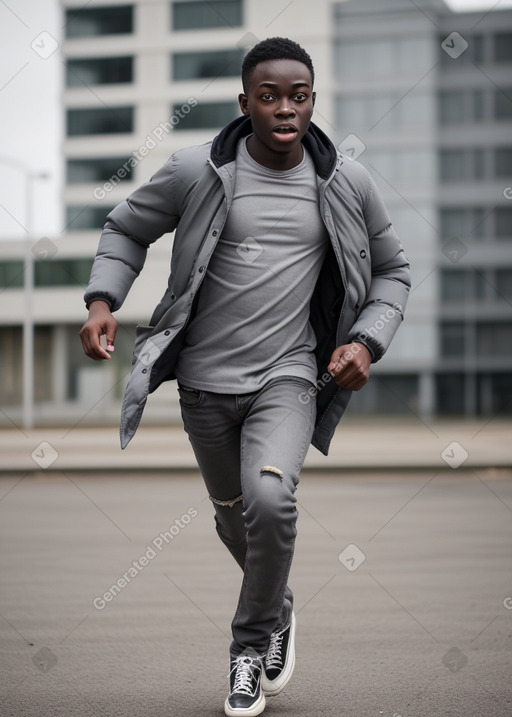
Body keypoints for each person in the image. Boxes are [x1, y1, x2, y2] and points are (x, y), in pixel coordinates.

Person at [80, 37, 411, 717]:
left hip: (289, 377)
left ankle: (247, 652)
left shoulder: (346, 182)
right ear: (246, 103)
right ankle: (278, 604)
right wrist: (101, 301)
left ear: (312, 100)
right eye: (270, 96)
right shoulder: (196, 171)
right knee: (234, 516)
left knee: (269, 502)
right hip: (203, 384)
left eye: (299, 95)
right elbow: (124, 229)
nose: (286, 107)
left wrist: (366, 342)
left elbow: (394, 271)